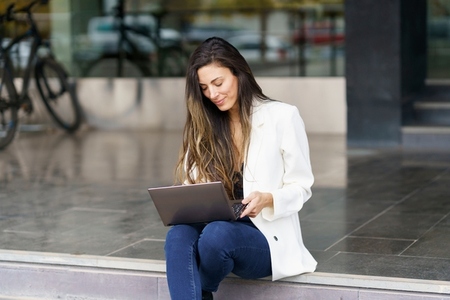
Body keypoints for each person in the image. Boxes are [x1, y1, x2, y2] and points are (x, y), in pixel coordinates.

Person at [164, 36, 317, 300]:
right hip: (213, 228)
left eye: (218, 83)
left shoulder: (282, 116)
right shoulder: (205, 125)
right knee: (178, 235)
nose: (212, 94)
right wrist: (188, 196)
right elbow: (192, 184)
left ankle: (201, 289)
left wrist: (269, 199)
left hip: (264, 238)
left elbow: (301, 187)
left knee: (217, 234)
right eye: (204, 87)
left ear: (239, 73)